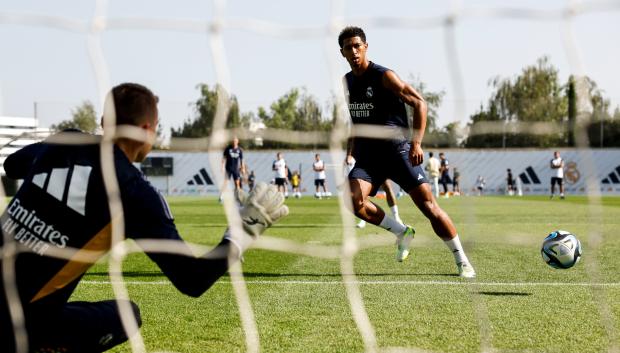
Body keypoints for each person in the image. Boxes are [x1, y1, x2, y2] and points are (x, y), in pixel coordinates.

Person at [0, 83, 289, 352]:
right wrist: (242, 232)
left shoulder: (65, 140)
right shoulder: (133, 192)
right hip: (18, 325)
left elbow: (13, 165)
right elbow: (192, 280)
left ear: (103, 122)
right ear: (148, 131)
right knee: (127, 316)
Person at [339, 26, 475, 278]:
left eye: (358, 45)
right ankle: (401, 232)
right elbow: (356, 122)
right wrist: (352, 151)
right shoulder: (347, 81)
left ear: (366, 47)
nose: (354, 51)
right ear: (342, 52)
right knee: (352, 201)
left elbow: (420, 102)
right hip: (369, 158)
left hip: (398, 152)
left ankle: (462, 260)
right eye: (349, 47)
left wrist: (416, 143)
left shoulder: (384, 76)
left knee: (429, 207)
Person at [221, 137, 244, 201]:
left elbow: (242, 160)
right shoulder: (228, 149)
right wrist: (222, 167)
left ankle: (238, 197)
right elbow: (224, 158)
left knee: (237, 184)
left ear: (238, 142)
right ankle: (222, 196)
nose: (234, 142)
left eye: (235, 141)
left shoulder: (239, 150)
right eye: (233, 141)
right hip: (228, 168)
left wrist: (243, 168)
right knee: (225, 183)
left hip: (236, 169)